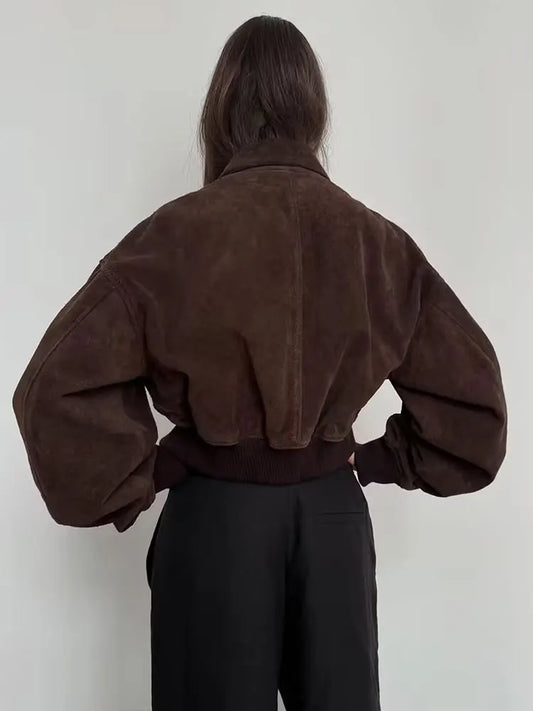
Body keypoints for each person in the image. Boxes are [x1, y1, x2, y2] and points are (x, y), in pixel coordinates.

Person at [12, 14, 507, 711]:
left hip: (216, 521)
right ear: (314, 110)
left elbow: (53, 387)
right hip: (334, 525)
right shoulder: (378, 243)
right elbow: (475, 411)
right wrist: (369, 461)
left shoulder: (171, 238)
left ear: (221, 111)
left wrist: (156, 467)